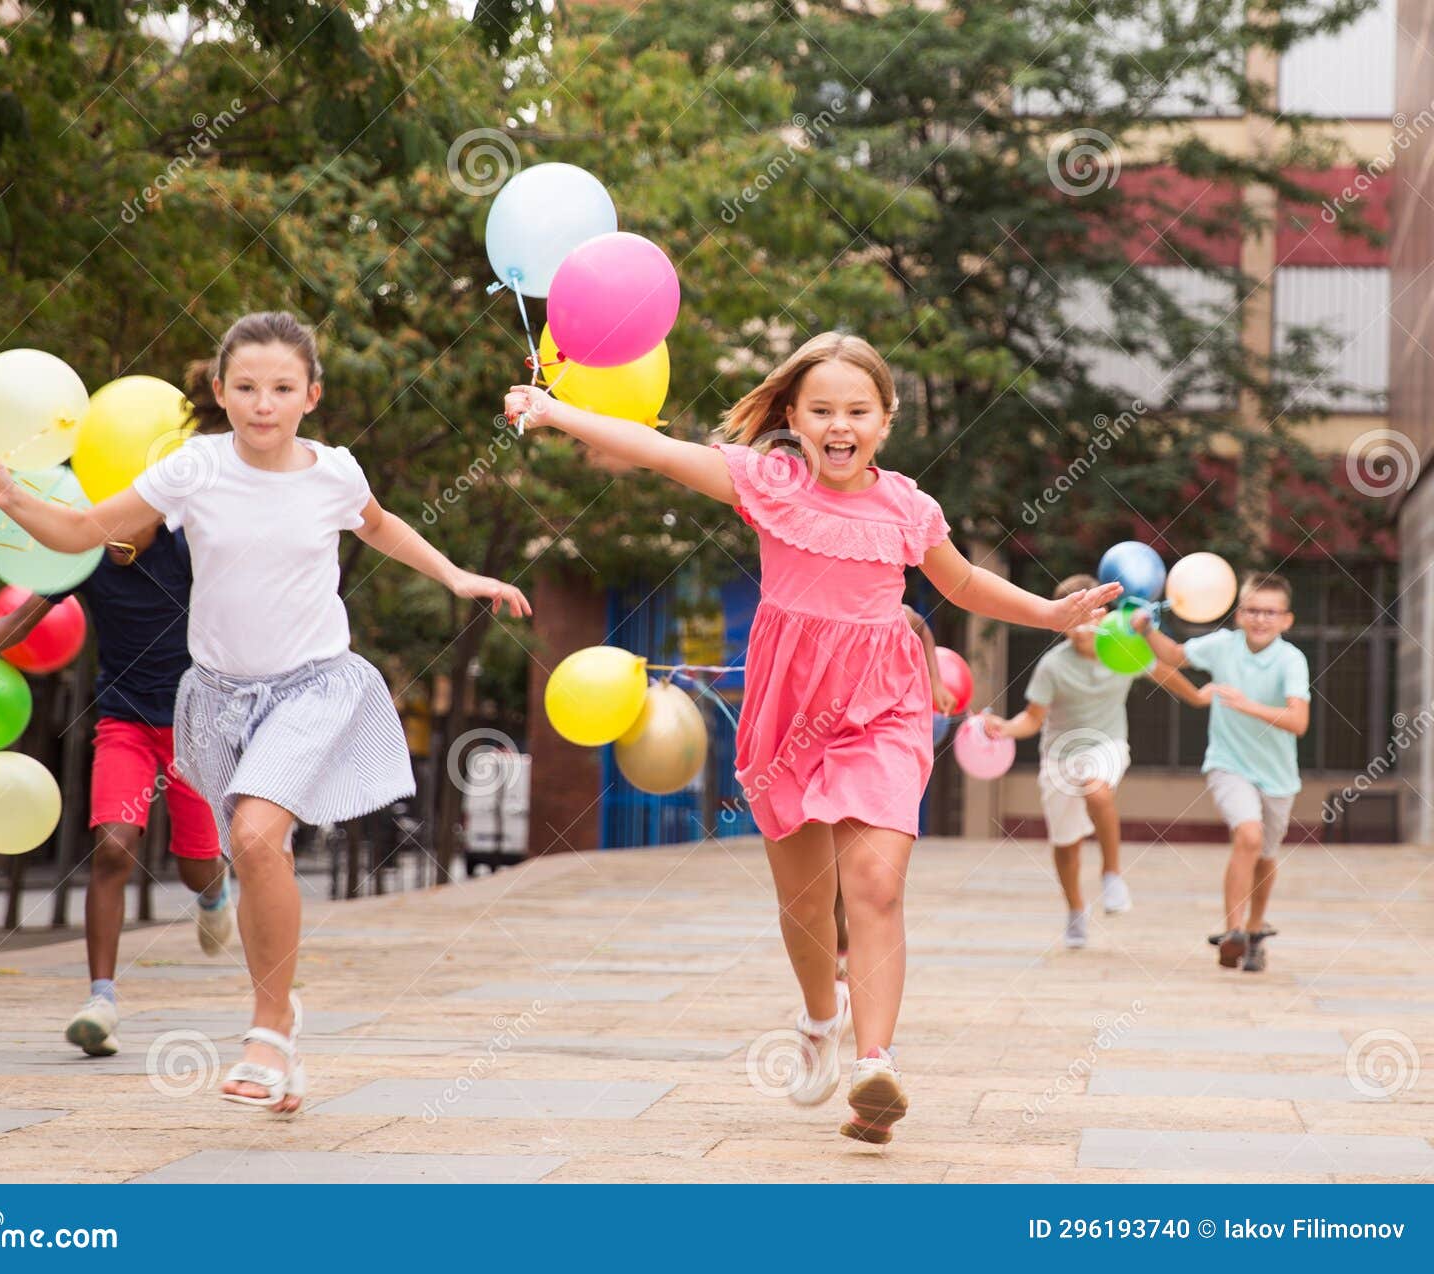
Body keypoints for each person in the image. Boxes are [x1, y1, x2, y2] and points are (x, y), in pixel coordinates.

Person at [505, 332, 1121, 1144]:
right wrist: (556, 410)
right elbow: (655, 450)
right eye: (822, 409)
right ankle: (820, 1020)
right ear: (792, 416)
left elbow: (962, 583)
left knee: (876, 885)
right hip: (789, 715)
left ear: (885, 420)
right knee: (804, 900)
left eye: (857, 410)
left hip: (884, 710)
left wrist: (1048, 612)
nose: (840, 424)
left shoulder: (908, 506)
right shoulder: (768, 482)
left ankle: (877, 1063)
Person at [0, 310, 530, 1114]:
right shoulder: (192, 471)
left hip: (311, 687)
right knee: (261, 857)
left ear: (311, 396)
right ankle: (284, 1025)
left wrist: (457, 576)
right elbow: (85, 531)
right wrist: (13, 496)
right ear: (222, 394)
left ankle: (267, 1030)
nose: (265, 403)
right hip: (220, 698)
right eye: (247, 387)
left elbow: (380, 527)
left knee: (255, 837)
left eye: (283, 388)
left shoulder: (334, 472)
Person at [0, 525, 230, 1057]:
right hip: (123, 723)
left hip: (193, 726)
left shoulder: (190, 549)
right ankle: (100, 1002)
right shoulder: (86, 556)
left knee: (195, 865)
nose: (111, 527)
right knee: (112, 849)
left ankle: (213, 894)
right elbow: (22, 619)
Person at [982, 574, 1209, 949]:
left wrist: (1199, 698)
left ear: (1102, 615)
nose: (1080, 626)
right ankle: (1075, 910)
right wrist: (1004, 728)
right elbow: (1033, 719)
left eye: (1088, 615)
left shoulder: (1123, 649)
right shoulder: (1053, 666)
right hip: (1058, 757)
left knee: (1097, 791)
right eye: (1071, 619)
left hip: (1107, 745)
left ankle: (1112, 874)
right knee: (1066, 845)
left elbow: (1165, 672)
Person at [1135, 571, 1310, 972]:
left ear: (1287, 620)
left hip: (1278, 775)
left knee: (1266, 856)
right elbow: (1175, 655)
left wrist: (1245, 703)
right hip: (1228, 764)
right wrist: (1146, 630)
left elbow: (1298, 722)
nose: (1260, 619)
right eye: (1252, 610)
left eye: (1270, 612)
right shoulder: (1222, 646)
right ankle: (1233, 932)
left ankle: (1253, 933)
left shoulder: (1291, 660)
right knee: (1247, 836)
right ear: (1238, 614)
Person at [833, 604, 952, 978]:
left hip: (878, 742)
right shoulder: (821, 607)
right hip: (830, 736)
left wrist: (934, 682)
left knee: (862, 864)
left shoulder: (893, 610)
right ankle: (838, 947)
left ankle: (851, 952)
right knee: (830, 871)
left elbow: (923, 630)